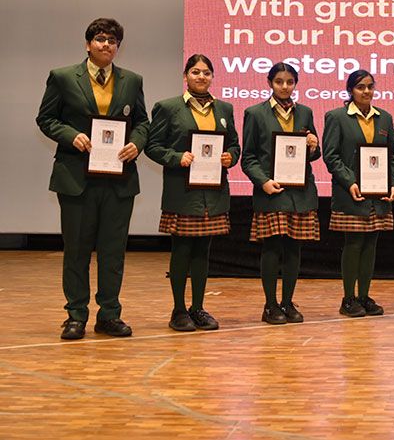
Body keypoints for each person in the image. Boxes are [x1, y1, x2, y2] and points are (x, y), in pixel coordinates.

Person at [36, 18, 149, 340]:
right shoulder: (62, 77)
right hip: (75, 178)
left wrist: (136, 143)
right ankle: (76, 315)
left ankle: (109, 315)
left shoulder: (132, 80)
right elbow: (45, 118)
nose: (106, 45)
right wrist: (71, 136)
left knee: (113, 252)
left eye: (112, 41)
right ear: (88, 44)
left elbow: (142, 122)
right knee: (77, 250)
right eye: (100, 39)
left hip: (119, 180)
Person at [145, 54, 240, 331]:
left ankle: (198, 308)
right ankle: (178, 310)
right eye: (196, 72)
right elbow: (152, 146)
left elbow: (234, 145)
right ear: (185, 75)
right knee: (182, 251)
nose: (202, 77)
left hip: (213, 192)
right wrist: (177, 157)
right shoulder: (168, 107)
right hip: (182, 192)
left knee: (203, 252)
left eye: (207, 73)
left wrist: (230, 158)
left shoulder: (224, 109)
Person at [241, 62, 321, 324]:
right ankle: (270, 305)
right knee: (272, 248)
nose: (284, 87)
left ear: (295, 83)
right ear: (270, 83)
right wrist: (263, 181)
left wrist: (312, 146)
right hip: (271, 191)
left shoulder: (306, 112)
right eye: (279, 82)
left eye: (289, 82)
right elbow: (249, 157)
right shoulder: (255, 113)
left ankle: (287, 302)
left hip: (300, 193)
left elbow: (314, 154)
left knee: (294, 249)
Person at [323, 70, 394, 318]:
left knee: (371, 244)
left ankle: (364, 296)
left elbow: (393, 156)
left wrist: (393, 183)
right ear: (350, 91)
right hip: (351, 193)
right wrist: (350, 181)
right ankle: (348, 299)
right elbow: (331, 156)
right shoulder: (336, 117)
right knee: (353, 243)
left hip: (378, 195)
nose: (366, 91)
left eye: (370, 86)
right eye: (360, 87)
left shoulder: (384, 118)